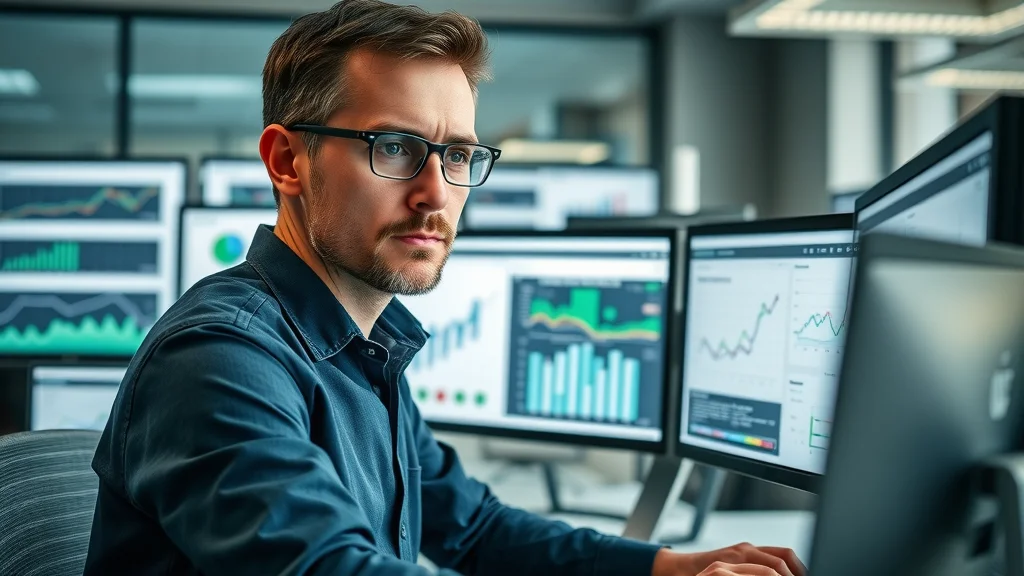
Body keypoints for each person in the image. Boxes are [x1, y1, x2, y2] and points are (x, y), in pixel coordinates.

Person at [85, 2, 806, 575]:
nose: (436, 194)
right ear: (287, 161)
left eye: (457, 154)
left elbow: (474, 526)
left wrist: (664, 567)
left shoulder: (364, 345)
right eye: (394, 148)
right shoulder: (220, 358)